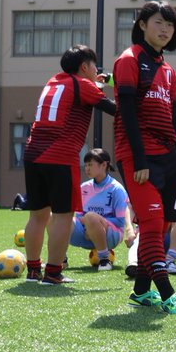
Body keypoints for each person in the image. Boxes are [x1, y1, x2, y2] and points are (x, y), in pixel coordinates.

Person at [113, 1, 176, 314]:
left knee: (162, 227)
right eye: (159, 22)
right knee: (149, 223)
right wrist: (141, 159)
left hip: (167, 159)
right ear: (142, 24)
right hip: (138, 157)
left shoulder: (169, 70)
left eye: (171, 25)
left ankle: (141, 292)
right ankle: (167, 294)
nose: (165, 29)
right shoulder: (129, 60)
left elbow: (173, 118)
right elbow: (128, 113)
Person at [22, 44, 116, 285]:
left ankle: (33, 271)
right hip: (59, 156)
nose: (96, 70)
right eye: (94, 65)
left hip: (32, 154)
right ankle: (53, 273)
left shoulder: (54, 81)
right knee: (63, 216)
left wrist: (97, 83)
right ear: (84, 67)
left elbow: (77, 96)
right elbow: (113, 109)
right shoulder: (83, 84)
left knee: (38, 216)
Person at [70, 148, 133, 270]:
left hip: (111, 235)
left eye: (90, 165)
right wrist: (89, 225)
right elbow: (78, 216)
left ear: (104, 165)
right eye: (86, 165)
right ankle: (60, 260)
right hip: (85, 233)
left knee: (91, 216)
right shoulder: (84, 187)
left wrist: (95, 222)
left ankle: (105, 259)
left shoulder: (117, 189)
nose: (87, 168)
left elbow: (120, 222)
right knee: (55, 218)